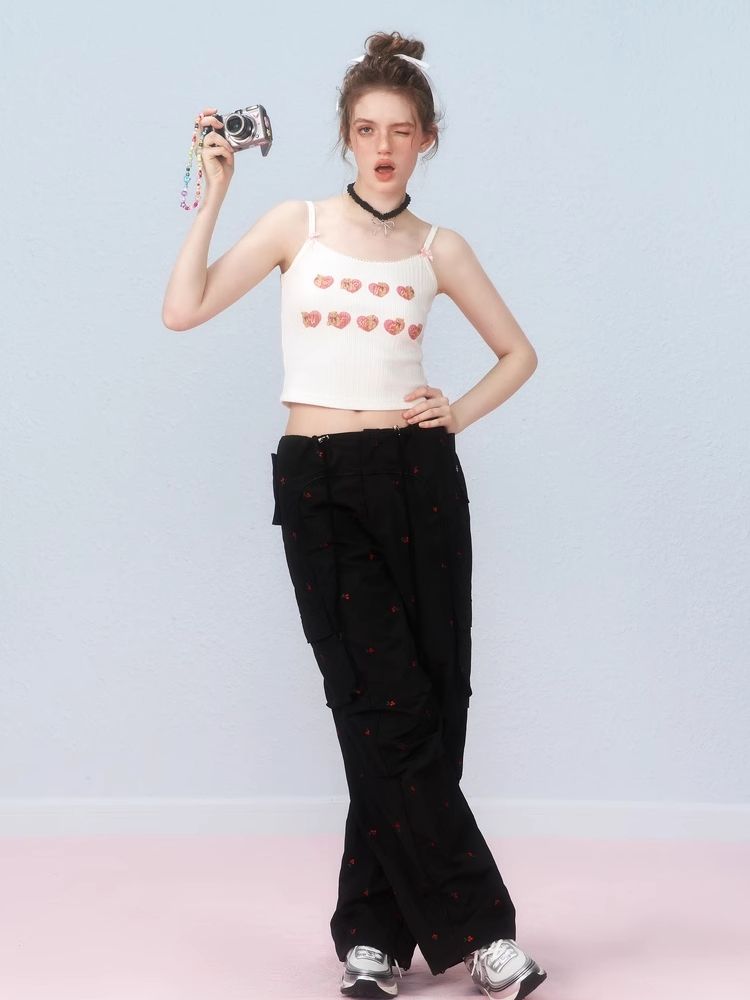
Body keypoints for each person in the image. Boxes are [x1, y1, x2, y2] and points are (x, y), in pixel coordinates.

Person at [163, 28, 544, 1000]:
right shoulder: (296, 225)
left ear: (427, 141)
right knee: (380, 705)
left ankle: (371, 935)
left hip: (420, 475)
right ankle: (484, 932)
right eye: (368, 129)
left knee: (432, 702)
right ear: (345, 135)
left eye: (401, 131)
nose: (383, 146)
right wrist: (213, 194)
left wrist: (456, 411)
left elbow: (519, 354)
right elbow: (183, 307)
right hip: (322, 481)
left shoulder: (438, 247)